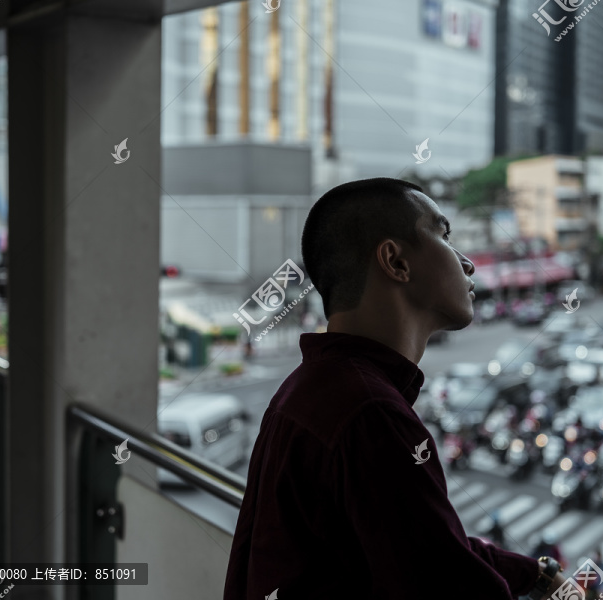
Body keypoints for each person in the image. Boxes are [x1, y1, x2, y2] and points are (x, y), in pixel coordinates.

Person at [223, 178, 567, 599]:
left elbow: (432, 547)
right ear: (396, 261)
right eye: (443, 235)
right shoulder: (370, 414)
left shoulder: (312, 389)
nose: (468, 263)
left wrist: (538, 575)